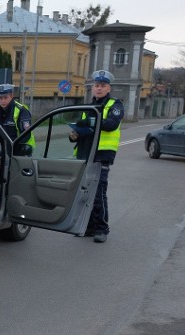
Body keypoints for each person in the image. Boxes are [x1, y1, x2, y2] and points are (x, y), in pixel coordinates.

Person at [68, 69, 124, 243]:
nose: (99, 88)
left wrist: (89, 123)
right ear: (92, 88)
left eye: (102, 86)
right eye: (96, 85)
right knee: (86, 193)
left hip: (102, 155)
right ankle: (90, 226)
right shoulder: (89, 106)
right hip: (86, 153)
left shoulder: (115, 105)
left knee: (98, 193)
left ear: (108, 88)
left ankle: (102, 229)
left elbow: (110, 125)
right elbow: (84, 130)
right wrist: (74, 135)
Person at [0, 84, 35, 154]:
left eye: (5, 97)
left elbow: (26, 135)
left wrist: (11, 148)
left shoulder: (21, 111)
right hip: (4, 149)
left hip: (23, 149)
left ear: (11, 96)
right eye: (0, 98)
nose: (3, 101)